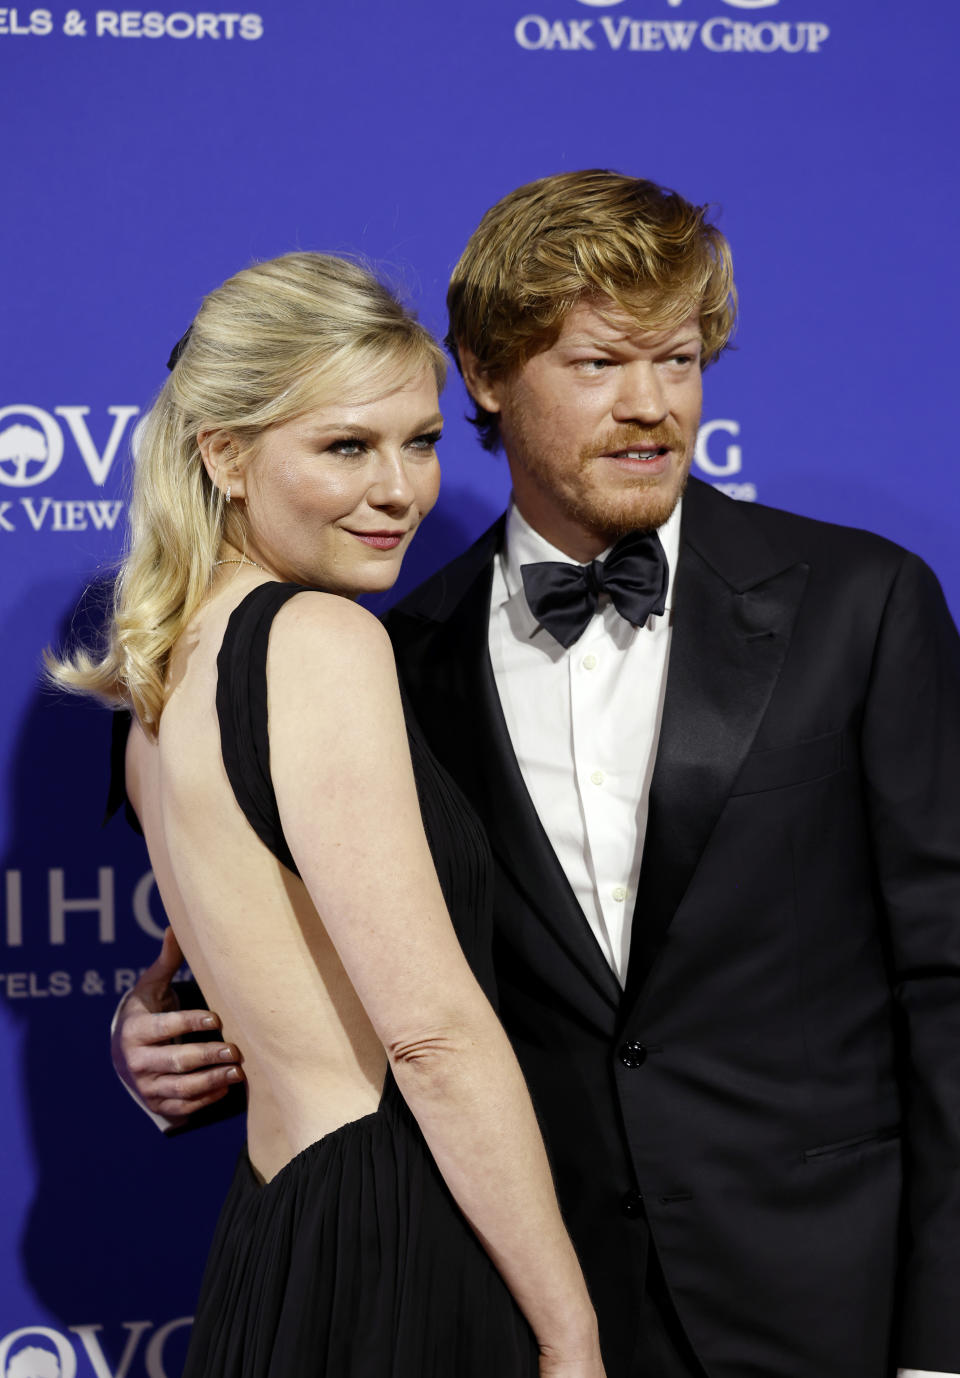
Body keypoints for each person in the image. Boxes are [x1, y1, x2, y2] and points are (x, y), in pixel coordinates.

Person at [113, 175, 960, 1378]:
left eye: (679, 359)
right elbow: (337, 973)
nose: (652, 406)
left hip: (829, 1300)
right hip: (528, 1294)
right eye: (603, 362)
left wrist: (943, 1339)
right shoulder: (395, 653)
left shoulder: (862, 606)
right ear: (489, 375)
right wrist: (162, 1029)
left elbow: (948, 980)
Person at [51, 251, 606, 1378]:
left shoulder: (163, 672)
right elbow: (432, 1038)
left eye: (420, 439)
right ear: (227, 454)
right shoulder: (318, 640)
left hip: (277, 1230)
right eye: (346, 445)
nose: (400, 488)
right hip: (401, 1225)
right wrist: (570, 1332)